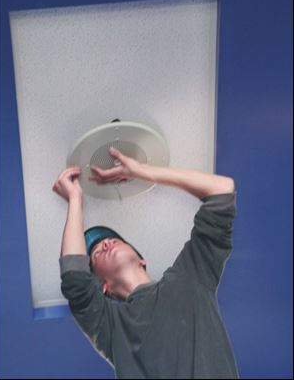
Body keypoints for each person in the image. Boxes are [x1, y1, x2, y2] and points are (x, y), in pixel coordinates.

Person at [53, 146, 239, 379]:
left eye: (112, 239)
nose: (106, 244)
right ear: (103, 286)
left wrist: (141, 171)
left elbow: (222, 190)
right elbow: (75, 280)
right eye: (97, 252)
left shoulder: (190, 277)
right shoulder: (112, 327)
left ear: (142, 259)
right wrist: (75, 200)